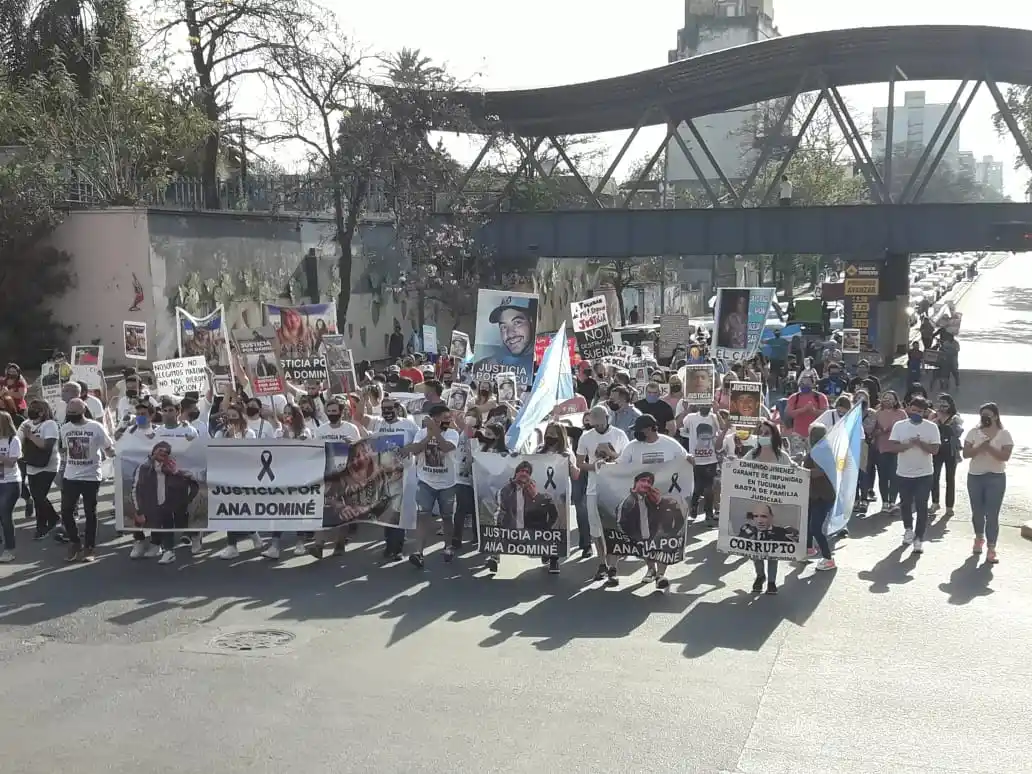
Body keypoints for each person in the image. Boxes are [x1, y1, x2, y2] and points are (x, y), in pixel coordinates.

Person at [613, 414, 690, 590]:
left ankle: (661, 574)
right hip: (642, 501)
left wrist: (690, 459)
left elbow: (684, 459)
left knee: (663, 535)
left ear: (649, 429)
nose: (637, 433)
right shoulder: (632, 447)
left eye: (639, 430)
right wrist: (606, 465)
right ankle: (650, 569)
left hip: (664, 498)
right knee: (647, 536)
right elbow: (620, 465)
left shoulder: (669, 443)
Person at [400, 404, 459, 569]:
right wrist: (429, 435)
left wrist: (436, 433)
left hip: (448, 483)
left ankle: (447, 547)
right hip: (426, 481)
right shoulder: (421, 433)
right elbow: (415, 449)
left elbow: (447, 447)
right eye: (445, 419)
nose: (449, 421)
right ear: (435, 419)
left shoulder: (453, 433)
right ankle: (419, 552)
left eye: (449, 418)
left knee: (447, 517)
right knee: (423, 516)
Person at [575, 405, 629, 585]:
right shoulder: (586, 437)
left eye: (600, 423)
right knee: (596, 527)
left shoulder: (619, 435)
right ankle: (602, 562)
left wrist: (612, 462)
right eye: (595, 424)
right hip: (593, 487)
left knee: (613, 526)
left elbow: (627, 460)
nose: (598, 427)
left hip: (614, 487)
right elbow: (580, 463)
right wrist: (595, 466)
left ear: (608, 419)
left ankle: (613, 566)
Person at [58, 398, 114, 562]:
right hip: (71, 475)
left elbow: (108, 448)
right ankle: (75, 542)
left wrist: (117, 455)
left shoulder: (95, 427)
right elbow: (63, 448)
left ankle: (90, 547)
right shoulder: (65, 428)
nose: (72, 417)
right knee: (66, 511)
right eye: (70, 414)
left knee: (90, 512)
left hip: (91, 476)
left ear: (83, 411)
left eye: (75, 414)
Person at [743, 419, 793, 594]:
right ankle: (759, 575)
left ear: (774, 436)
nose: (763, 436)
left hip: (775, 508)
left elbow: (792, 475)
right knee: (756, 546)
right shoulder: (751, 455)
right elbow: (739, 471)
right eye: (761, 433)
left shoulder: (782, 457)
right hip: (755, 507)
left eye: (767, 433)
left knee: (772, 547)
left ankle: (771, 581)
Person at [887, 396, 940, 555]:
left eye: (920, 411)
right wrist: (908, 445)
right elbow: (893, 446)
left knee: (922, 505)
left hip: (924, 473)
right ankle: (908, 529)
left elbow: (935, 450)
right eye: (914, 410)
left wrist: (921, 443)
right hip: (904, 472)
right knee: (905, 503)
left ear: (925, 412)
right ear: (909, 409)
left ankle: (919, 538)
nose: (916, 413)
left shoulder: (931, 427)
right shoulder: (900, 426)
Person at [963, 402, 1012, 565]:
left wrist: (989, 447)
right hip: (976, 476)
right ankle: (979, 538)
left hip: (996, 477)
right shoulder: (973, 432)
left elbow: (1005, 456)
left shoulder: (1004, 434)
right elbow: (966, 453)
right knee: (977, 511)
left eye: (988, 415)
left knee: (992, 514)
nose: (985, 418)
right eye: (982, 415)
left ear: (996, 416)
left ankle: (992, 548)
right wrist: (979, 447)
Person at [18, 399, 60, 540]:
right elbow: (19, 442)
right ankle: (49, 520)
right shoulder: (26, 424)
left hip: (48, 465)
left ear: (43, 411)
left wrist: (30, 436)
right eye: (31, 407)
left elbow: (46, 446)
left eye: (36, 408)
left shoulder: (50, 425)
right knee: (37, 496)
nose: (32, 410)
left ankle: (42, 526)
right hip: (31, 464)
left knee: (39, 496)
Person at [802, 423, 837, 571]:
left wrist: (801, 471)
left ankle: (828, 558)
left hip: (823, 496)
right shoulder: (817, 450)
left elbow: (819, 472)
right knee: (807, 523)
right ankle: (809, 549)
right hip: (814, 494)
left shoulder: (824, 452)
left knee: (816, 528)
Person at [871, 390, 906, 513]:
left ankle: (892, 501)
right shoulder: (877, 413)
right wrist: (883, 431)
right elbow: (871, 432)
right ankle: (885, 502)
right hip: (882, 448)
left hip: (897, 449)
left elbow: (907, 429)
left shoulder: (901, 413)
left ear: (896, 401)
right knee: (883, 477)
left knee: (895, 476)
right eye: (885, 398)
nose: (888, 400)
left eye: (891, 398)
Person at [930, 393, 963, 520]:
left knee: (950, 479)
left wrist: (943, 422)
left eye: (945, 404)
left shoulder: (956, 417)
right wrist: (936, 419)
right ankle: (935, 502)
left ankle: (949, 506)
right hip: (937, 450)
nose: (942, 407)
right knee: (934, 477)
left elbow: (957, 432)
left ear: (950, 405)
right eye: (940, 404)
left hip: (950, 450)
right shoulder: (934, 416)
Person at [0, 411, 23, 563]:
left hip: (11, 482)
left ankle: (10, 549)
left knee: (5, 514)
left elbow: (12, 462)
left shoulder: (13, 441)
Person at [784, 374, 828, 439]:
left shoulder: (820, 397)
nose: (804, 385)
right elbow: (788, 414)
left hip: (816, 435)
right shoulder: (794, 397)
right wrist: (803, 409)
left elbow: (826, 414)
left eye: (807, 383)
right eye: (802, 383)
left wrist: (814, 411)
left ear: (813, 384)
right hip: (798, 434)